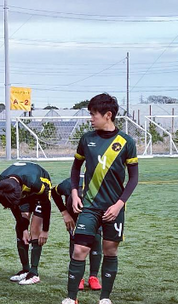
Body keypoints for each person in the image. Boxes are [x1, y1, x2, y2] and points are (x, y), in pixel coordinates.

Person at [62, 93, 139, 304]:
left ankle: (104, 298)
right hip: (89, 206)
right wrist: (76, 192)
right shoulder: (87, 139)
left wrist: (119, 205)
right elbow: (76, 167)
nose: (90, 118)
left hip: (114, 208)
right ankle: (71, 298)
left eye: (93, 114)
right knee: (79, 250)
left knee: (109, 249)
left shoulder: (126, 142)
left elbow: (133, 178)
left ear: (108, 115)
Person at [0, 161, 52, 285]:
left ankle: (34, 272)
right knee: (21, 226)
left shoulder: (36, 183)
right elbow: (14, 207)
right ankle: (25, 269)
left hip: (39, 192)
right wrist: (23, 229)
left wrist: (45, 230)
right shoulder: (2, 184)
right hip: (23, 188)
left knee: (35, 227)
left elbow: (46, 205)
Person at [52, 178, 103, 291]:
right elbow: (53, 192)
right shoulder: (66, 185)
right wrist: (65, 213)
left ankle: (93, 277)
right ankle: (78, 278)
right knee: (75, 240)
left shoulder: (98, 186)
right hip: (72, 214)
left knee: (96, 238)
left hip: (95, 211)